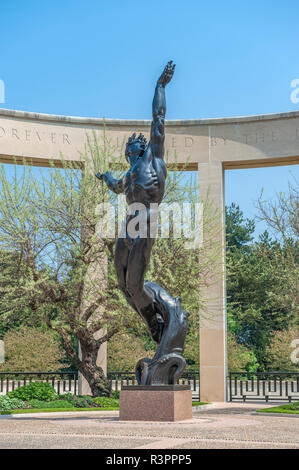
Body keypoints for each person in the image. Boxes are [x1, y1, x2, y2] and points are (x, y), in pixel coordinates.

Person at [96, 61, 176, 344]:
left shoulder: (153, 158)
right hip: (128, 225)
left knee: (134, 283)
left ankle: (155, 321)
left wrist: (160, 86)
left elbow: (158, 119)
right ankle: (150, 322)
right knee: (121, 284)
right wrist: (105, 175)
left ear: (140, 149)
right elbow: (116, 185)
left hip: (146, 222)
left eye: (132, 150)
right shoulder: (129, 175)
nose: (129, 154)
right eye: (127, 152)